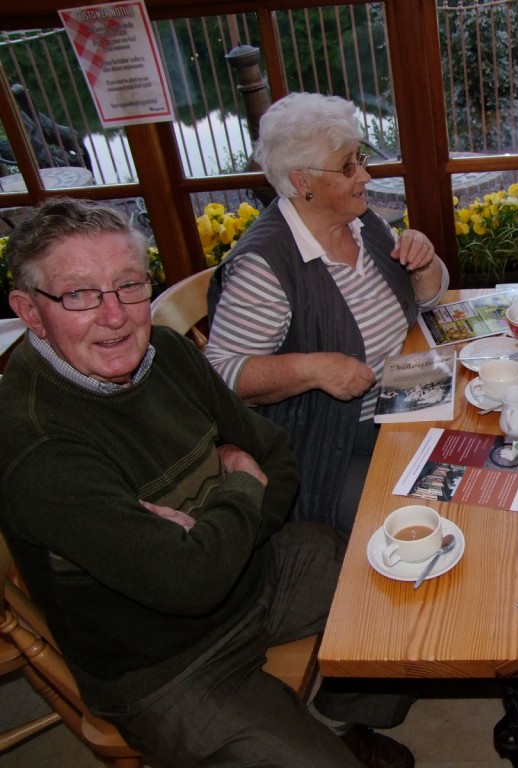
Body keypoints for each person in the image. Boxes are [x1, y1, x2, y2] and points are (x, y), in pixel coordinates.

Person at [0, 198, 415, 768]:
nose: (115, 315)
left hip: (250, 571)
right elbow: (187, 581)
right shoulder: (39, 444)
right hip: (166, 662)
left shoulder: (166, 352)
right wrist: (239, 484)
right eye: (79, 295)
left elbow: (276, 454)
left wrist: (211, 535)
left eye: (128, 285)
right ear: (29, 310)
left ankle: (349, 717)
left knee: (401, 577)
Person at [205, 92, 450, 533]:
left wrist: (426, 262)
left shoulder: (360, 222)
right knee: (435, 516)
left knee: (500, 454)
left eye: (360, 159)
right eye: (348, 166)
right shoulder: (266, 266)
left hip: (407, 404)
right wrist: (311, 368)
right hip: (333, 446)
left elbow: (430, 300)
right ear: (303, 182)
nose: (366, 176)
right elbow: (220, 376)